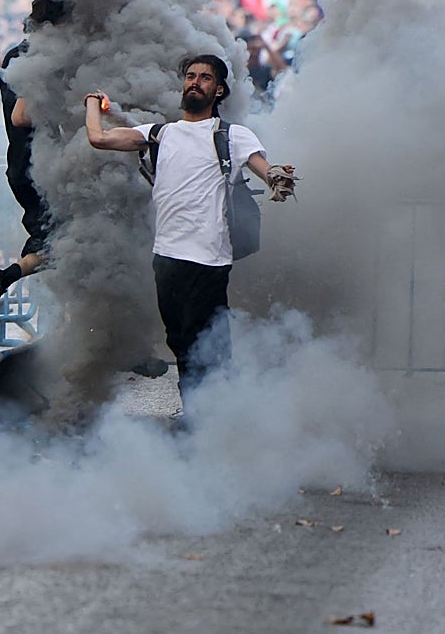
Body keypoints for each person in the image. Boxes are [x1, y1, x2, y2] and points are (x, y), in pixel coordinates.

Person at [84, 53, 297, 417]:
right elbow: (99, 138)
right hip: (166, 257)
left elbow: (264, 168)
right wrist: (92, 103)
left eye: (205, 78)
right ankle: (203, 414)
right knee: (180, 342)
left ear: (218, 90)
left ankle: (210, 420)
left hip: (208, 259)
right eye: (191, 76)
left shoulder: (231, 135)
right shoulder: (160, 133)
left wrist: (276, 176)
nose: (195, 82)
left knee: (206, 345)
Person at [0, 0, 69, 330]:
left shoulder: (15, 53)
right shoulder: (37, 57)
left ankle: (3, 283)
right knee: (75, 244)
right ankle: (0, 281)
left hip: (28, 167)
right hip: (41, 170)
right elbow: (23, 114)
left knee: (58, 245)